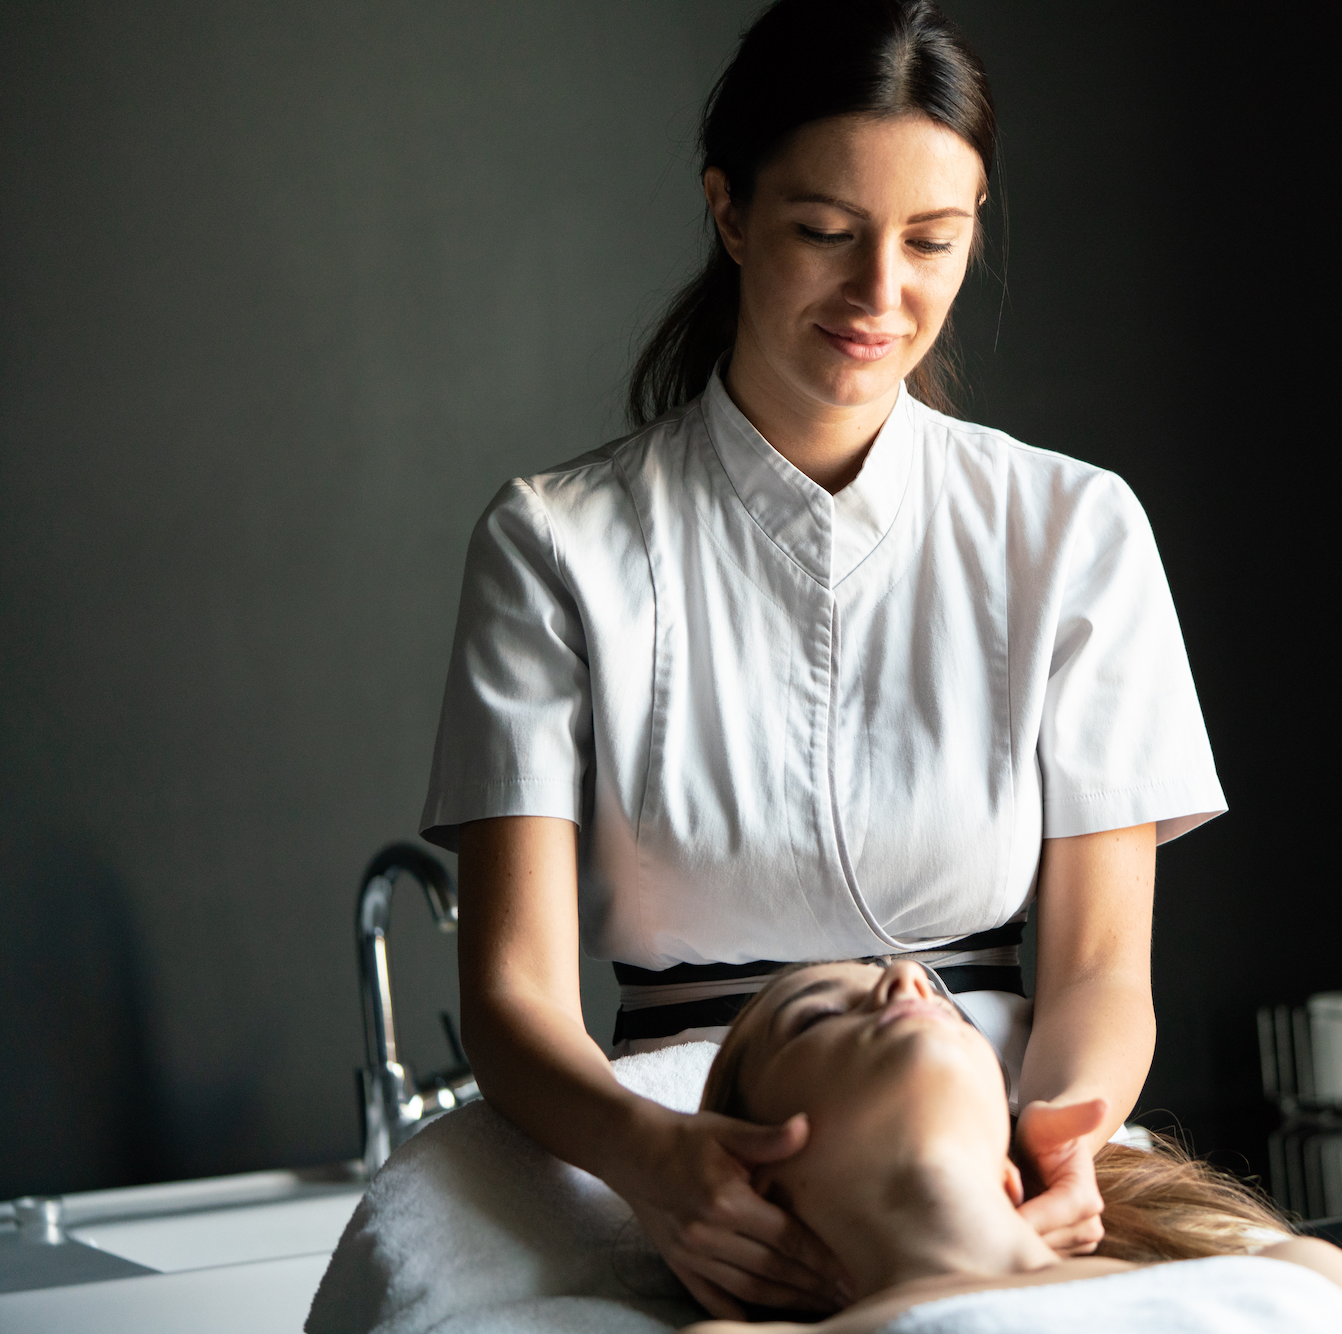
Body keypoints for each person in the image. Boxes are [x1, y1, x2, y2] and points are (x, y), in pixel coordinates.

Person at [420, 0, 1222, 1319]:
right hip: (694, 1160)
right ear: (730, 213)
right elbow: (513, 997)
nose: (880, 296)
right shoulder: (553, 545)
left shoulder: (1075, 530)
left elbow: (1097, 970)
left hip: (996, 1139)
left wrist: (1054, 1141)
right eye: (826, 233)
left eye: (933, 241)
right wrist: (654, 1165)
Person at [680, 958, 1342, 1334]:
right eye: (814, 1016)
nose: (906, 979)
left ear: (1013, 1169)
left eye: (937, 997)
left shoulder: (1298, 1273)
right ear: (754, 1186)